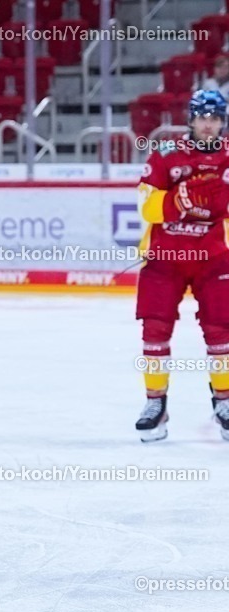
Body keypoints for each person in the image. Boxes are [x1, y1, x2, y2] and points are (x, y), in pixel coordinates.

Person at [135, 90, 229, 442]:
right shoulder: (165, 153)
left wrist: (211, 202)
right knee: (154, 329)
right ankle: (154, 404)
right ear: (190, 119)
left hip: (214, 257)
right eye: (203, 117)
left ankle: (224, 401)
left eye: (215, 117)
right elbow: (145, 205)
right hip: (165, 258)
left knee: (221, 331)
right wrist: (178, 200)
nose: (209, 124)